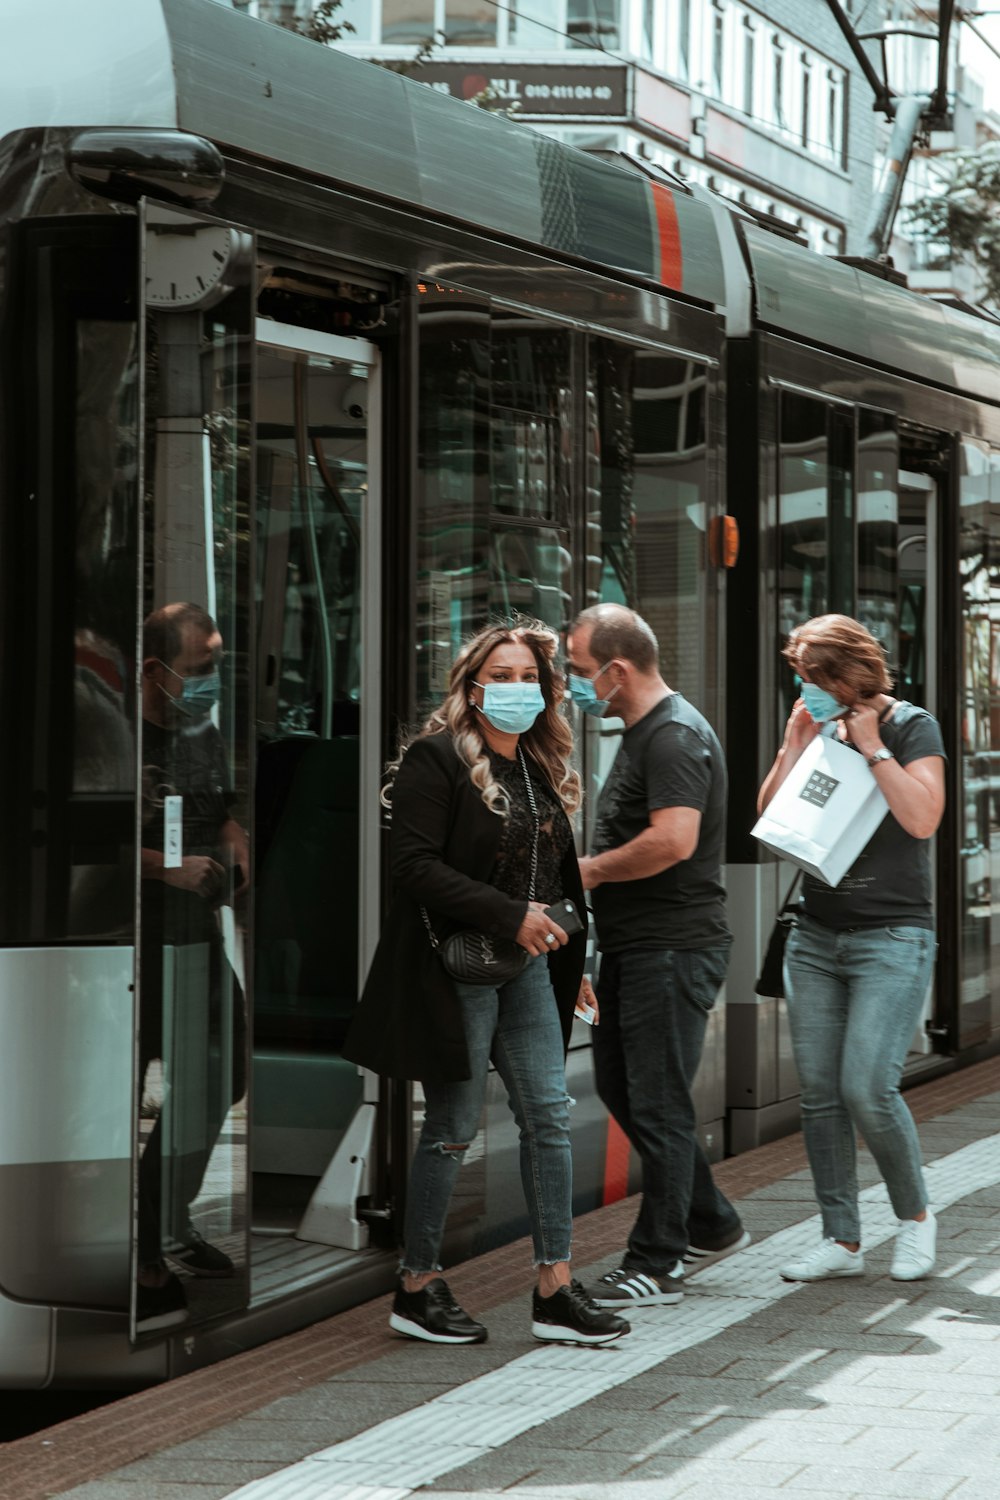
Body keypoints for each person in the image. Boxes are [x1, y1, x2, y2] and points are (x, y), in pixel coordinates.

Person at [343, 618, 630, 1347]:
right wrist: (514, 917)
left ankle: (556, 1288)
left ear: (546, 688)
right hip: (458, 968)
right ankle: (415, 1285)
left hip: (528, 967)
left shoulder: (539, 768)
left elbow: (554, 880)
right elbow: (414, 869)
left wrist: (572, 958)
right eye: (499, 677)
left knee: (549, 1118)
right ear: (471, 688)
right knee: (450, 1130)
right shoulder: (434, 761)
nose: (514, 688)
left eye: (527, 676)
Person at [566, 603, 749, 1309]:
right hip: (641, 947)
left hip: (670, 949)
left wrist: (588, 871)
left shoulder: (671, 737)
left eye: (581, 672)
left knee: (659, 1102)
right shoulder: (645, 732)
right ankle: (712, 1220)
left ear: (617, 669)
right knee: (627, 1091)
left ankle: (658, 1262)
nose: (576, 686)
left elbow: (673, 840)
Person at [757, 613, 945, 1283]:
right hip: (815, 935)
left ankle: (916, 1219)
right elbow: (772, 823)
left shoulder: (911, 725)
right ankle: (841, 1239)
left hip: (892, 936)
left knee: (867, 1086)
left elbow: (923, 817)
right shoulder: (815, 726)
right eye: (800, 679)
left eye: (813, 679)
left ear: (848, 674)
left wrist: (872, 748)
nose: (805, 689)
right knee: (819, 1094)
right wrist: (792, 744)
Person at [136, 602, 250, 1329]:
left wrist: (236, 843)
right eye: (201, 668)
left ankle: (168, 1218)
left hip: (197, 932)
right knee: (138, 1082)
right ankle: (142, 1247)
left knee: (225, 1066)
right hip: (133, 940)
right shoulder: (110, 735)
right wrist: (164, 866)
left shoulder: (200, 731)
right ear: (155, 671)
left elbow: (225, 807)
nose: (211, 683)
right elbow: (56, 838)